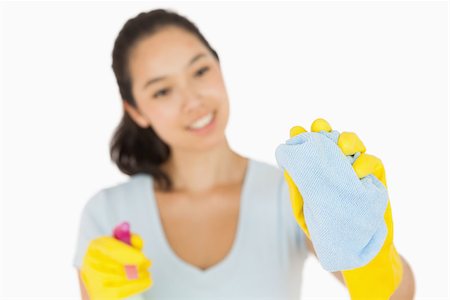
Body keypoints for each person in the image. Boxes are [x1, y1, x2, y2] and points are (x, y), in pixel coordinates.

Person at [73, 8, 415, 299]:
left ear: (219, 67)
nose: (193, 100)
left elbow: (398, 296)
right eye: (162, 91)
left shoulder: (290, 193)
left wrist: (371, 246)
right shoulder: (109, 214)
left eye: (200, 70)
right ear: (135, 111)